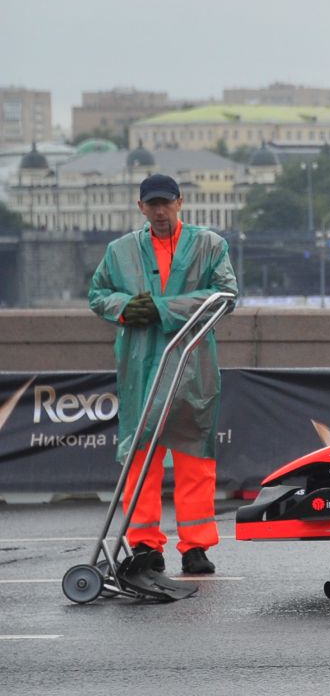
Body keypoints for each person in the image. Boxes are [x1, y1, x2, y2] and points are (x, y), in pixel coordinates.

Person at [86, 173, 238, 578]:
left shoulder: (210, 245)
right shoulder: (119, 251)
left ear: (179, 202)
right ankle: (144, 545)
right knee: (140, 462)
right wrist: (124, 306)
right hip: (140, 368)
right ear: (141, 208)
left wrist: (160, 309)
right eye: (152, 204)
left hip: (192, 369)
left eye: (165, 203)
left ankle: (196, 548)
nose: (159, 211)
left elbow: (227, 295)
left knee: (195, 461)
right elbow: (97, 295)